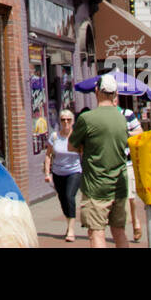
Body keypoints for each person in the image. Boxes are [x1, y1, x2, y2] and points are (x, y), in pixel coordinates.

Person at [68, 74, 131, 248]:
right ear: (115, 94)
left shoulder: (87, 118)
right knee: (119, 231)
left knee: (96, 232)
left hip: (96, 186)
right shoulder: (122, 119)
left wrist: (84, 147)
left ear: (96, 91)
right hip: (120, 184)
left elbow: (71, 146)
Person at [43, 108, 82, 242]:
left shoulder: (77, 137)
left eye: (68, 120)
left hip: (74, 171)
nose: (66, 122)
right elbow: (48, 155)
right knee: (63, 199)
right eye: (63, 120)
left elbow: (83, 155)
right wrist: (47, 173)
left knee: (69, 196)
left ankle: (71, 230)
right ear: (59, 121)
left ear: (72, 121)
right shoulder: (54, 137)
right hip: (58, 172)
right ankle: (69, 222)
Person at [122, 103, 145, 241]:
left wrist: (126, 133)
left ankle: (136, 221)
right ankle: (122, 230)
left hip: (128, 161)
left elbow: (140, 131)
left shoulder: (127, 114)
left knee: (131, 197)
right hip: (111, 163)